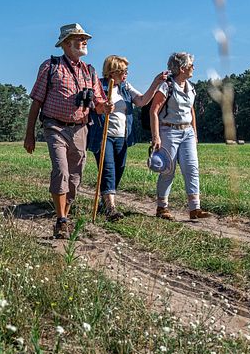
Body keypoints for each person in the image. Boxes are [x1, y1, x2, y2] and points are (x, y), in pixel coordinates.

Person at [24, 23, 113, 239]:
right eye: (79, 38)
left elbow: (99, 104)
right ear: (65, 43)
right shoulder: (50, 66)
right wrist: (29, 134)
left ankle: (66, 212)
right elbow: (36, 102)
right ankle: (61, 219)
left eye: (85, 38)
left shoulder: (89, 71)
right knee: (61, 170)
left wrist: (105, 107)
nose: (84, 41)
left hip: (80, 128)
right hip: (54, 126)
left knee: (75, 176)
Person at [87, 55, 167, 221]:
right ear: (113, 72)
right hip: (104, 135)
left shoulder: (125, 87)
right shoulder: (99, 86)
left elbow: (142, 101)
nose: (126, 74)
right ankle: (111, 208)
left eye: (126, 71)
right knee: (108, 170)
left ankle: (105, 201)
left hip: (122, 136)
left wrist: (156, 82)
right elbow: (95, 106)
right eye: (123, 71)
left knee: (119, 169)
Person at [149, 52, 212, 221]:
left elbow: (191, 109)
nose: (193, 67)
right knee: (168, 170)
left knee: (192, 168)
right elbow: (153, 111)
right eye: (191, 65)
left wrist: (195, 132)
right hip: (169, 131)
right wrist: (156, 136)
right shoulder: (166, 86)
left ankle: (195, 208)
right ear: (182, 67)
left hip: (188, 133)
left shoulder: (190, 86)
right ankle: (162, 208)